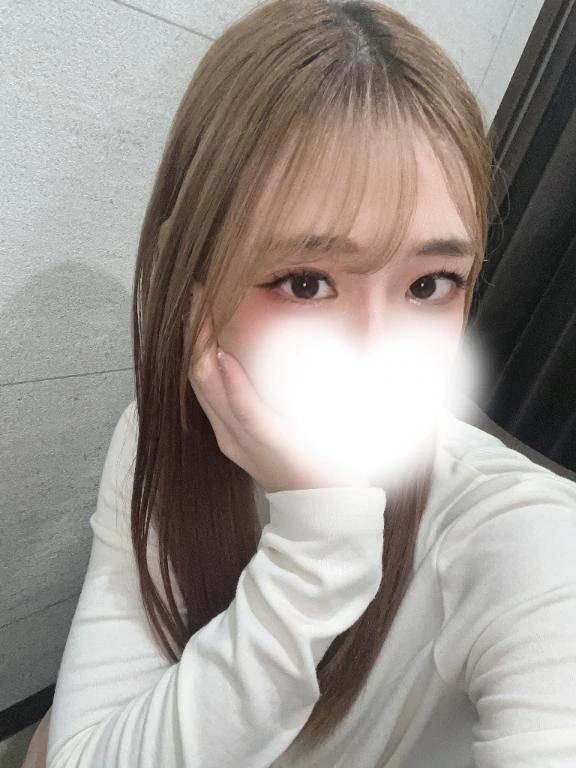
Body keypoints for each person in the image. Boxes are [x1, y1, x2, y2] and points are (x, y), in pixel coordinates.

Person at [24, 0, 576, 766]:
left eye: (429, 285)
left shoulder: (526, 539)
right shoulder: (158, 438)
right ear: (195, 281)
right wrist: (319, 548)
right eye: (306, 283)